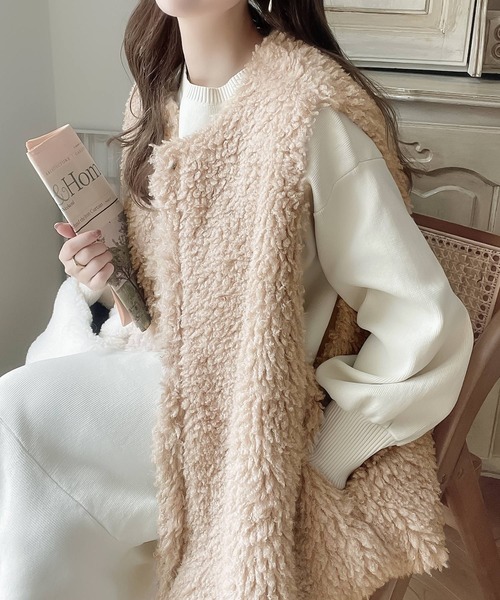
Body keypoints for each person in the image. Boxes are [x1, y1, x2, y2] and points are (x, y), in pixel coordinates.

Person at [0, 1, 474, 599]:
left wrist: (322, 459)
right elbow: (157, 284)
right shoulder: (154, 95)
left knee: (19, 416)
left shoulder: (308, 112)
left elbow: (427, 324)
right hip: (152, 375)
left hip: (246, 420)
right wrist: (99, 279)